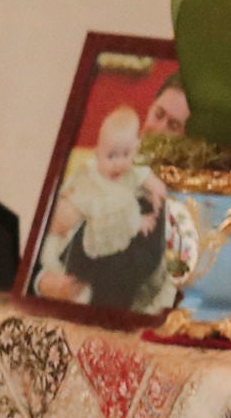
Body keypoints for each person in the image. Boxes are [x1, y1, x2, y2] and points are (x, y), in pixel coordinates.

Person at [38, 103, 173, 311]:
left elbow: (137, 281)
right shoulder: (91, 175)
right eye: (159, 114)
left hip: (109, 310)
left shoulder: (154, 196)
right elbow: (50, 227)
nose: (119, 163)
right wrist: (42, 282)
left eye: (174, 125)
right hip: (59, 274)